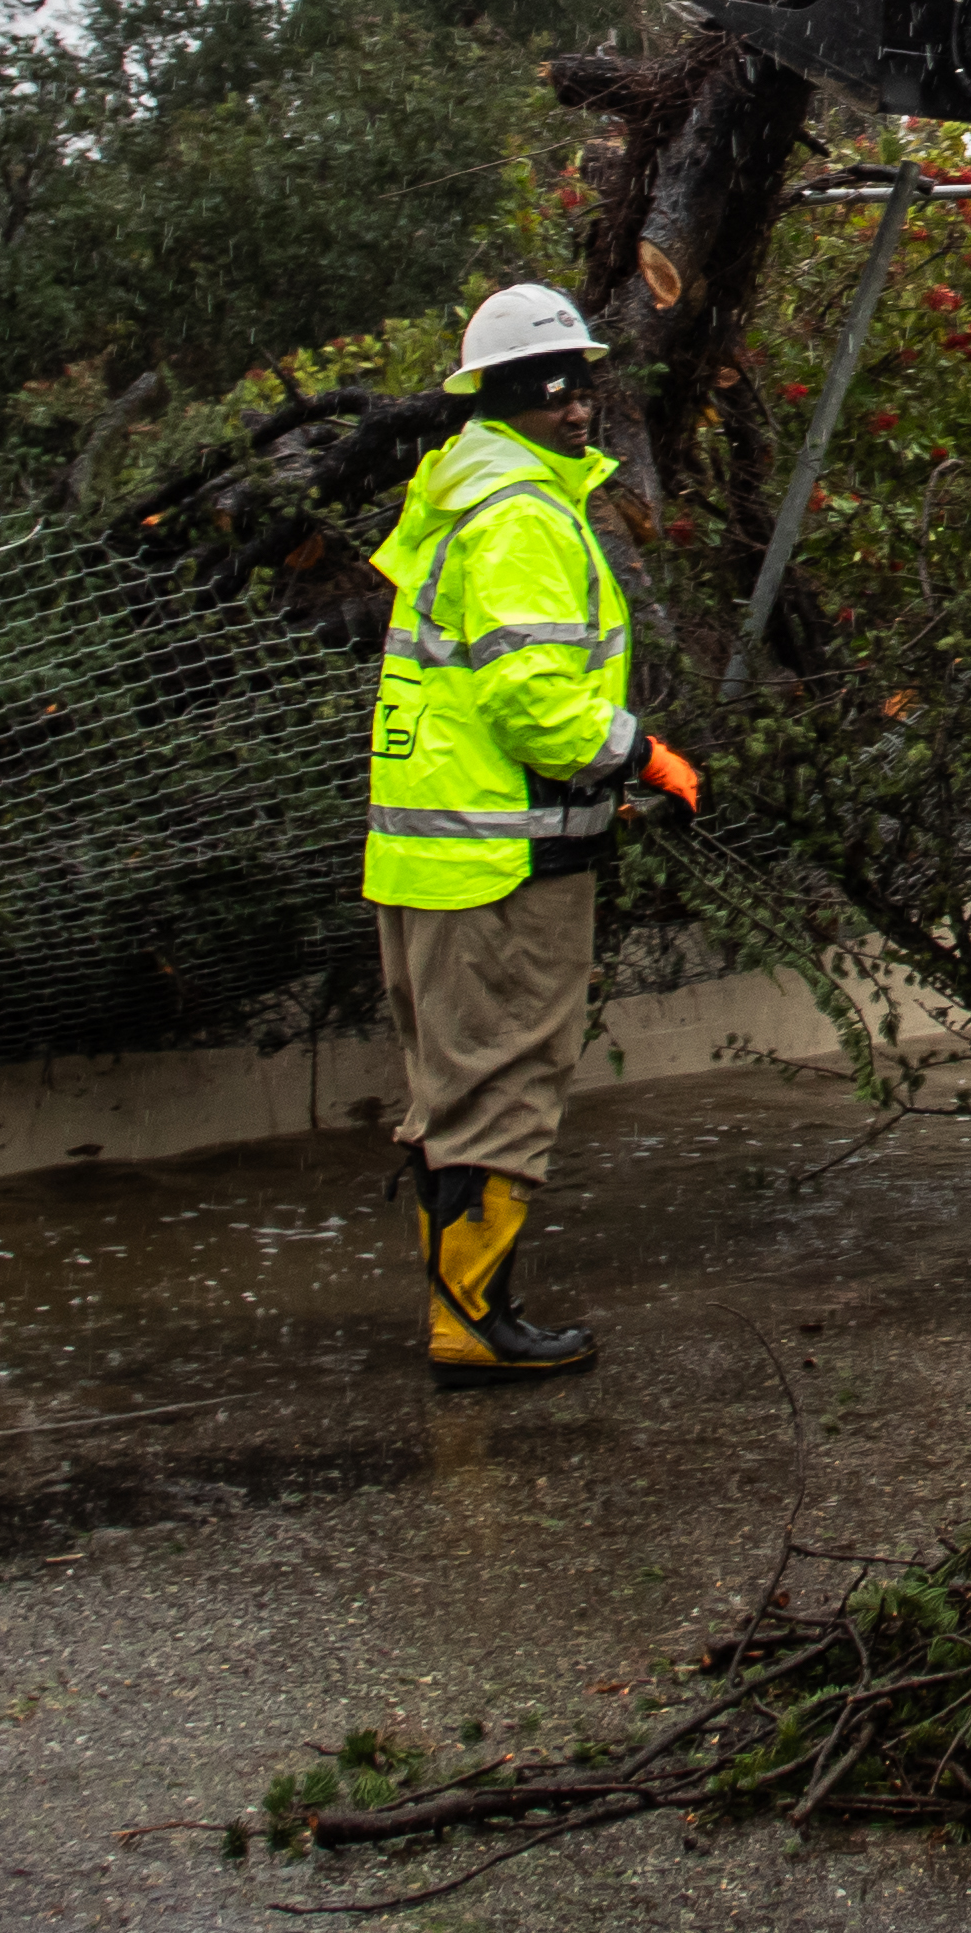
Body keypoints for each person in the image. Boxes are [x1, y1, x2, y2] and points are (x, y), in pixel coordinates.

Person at [363, 280, 701, 1387]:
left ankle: (468, 1308)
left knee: (453, 1084)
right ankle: (473, 1321)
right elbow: (530, 700)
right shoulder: (516, 514)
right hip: (501, 861)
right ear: (501, 399)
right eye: (550, 389)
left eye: (581, 383)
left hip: (438, 849)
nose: (576, 407)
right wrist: (638, 753)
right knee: (504, 1082)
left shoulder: (464, 497)